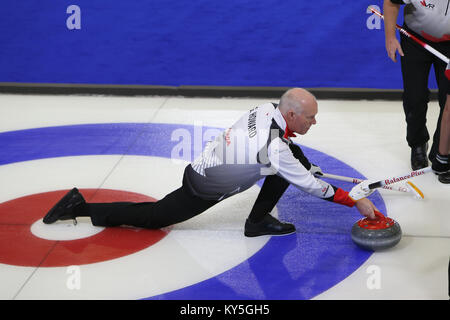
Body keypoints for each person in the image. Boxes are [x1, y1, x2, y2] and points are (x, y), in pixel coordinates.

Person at [43, 88, 380, 237]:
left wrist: (302, 165)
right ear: (292, 113)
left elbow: (284, 150)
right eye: (311, 117)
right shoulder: (274, 147)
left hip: (210, 164)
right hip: (203, 186)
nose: (314, 123)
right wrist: (355, 201)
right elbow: (311, 186)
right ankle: (82, 207)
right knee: (153, 218)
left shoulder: (266, 111)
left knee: (284, 170)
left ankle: (257, 222)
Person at [383, 0, 450, 171]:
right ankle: (418, 145)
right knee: (415, 97)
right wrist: (390, 37)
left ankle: (441, 152)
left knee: (448, 100)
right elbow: (391, 3)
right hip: (415, 39)